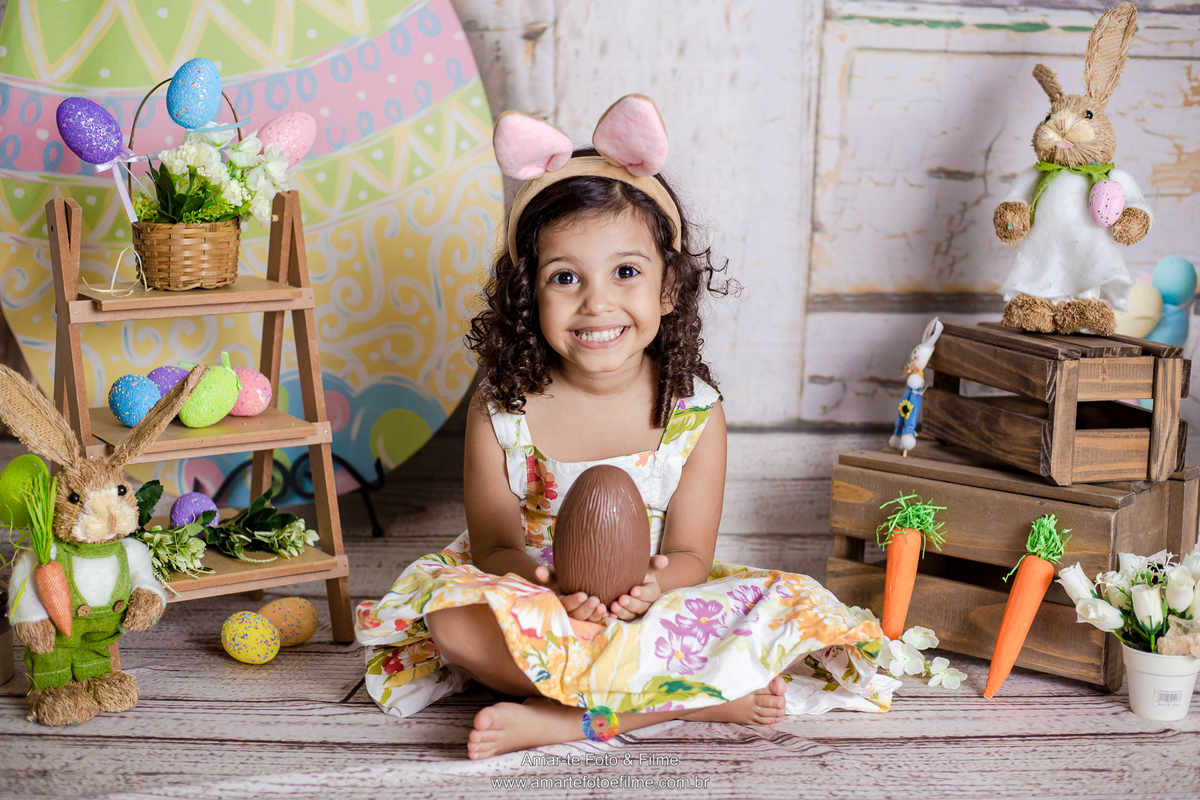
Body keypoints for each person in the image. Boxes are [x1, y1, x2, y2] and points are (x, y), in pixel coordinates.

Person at [355, 96, 897, 760]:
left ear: (668, 288)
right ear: (530, 296)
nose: (597, 302)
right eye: (564, 278)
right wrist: (547, 584)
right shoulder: (501, 407)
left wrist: (651, 590)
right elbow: (494, 547)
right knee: (452, 618)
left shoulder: (693, 411)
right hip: (539, 599)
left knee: (779, 611)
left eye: (626, 272)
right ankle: (694, 699)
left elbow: (693, 557)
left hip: (652, 605)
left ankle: (565, 717)